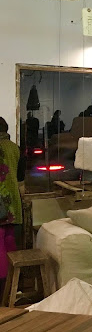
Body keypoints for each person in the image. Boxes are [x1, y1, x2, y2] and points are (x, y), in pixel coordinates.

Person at [0, 117, 24, 295]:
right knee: (9, 240)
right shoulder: (15, 148)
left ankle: (2, 290)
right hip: (13, 200)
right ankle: (14, 286)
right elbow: (21, 178)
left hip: (0, 201)